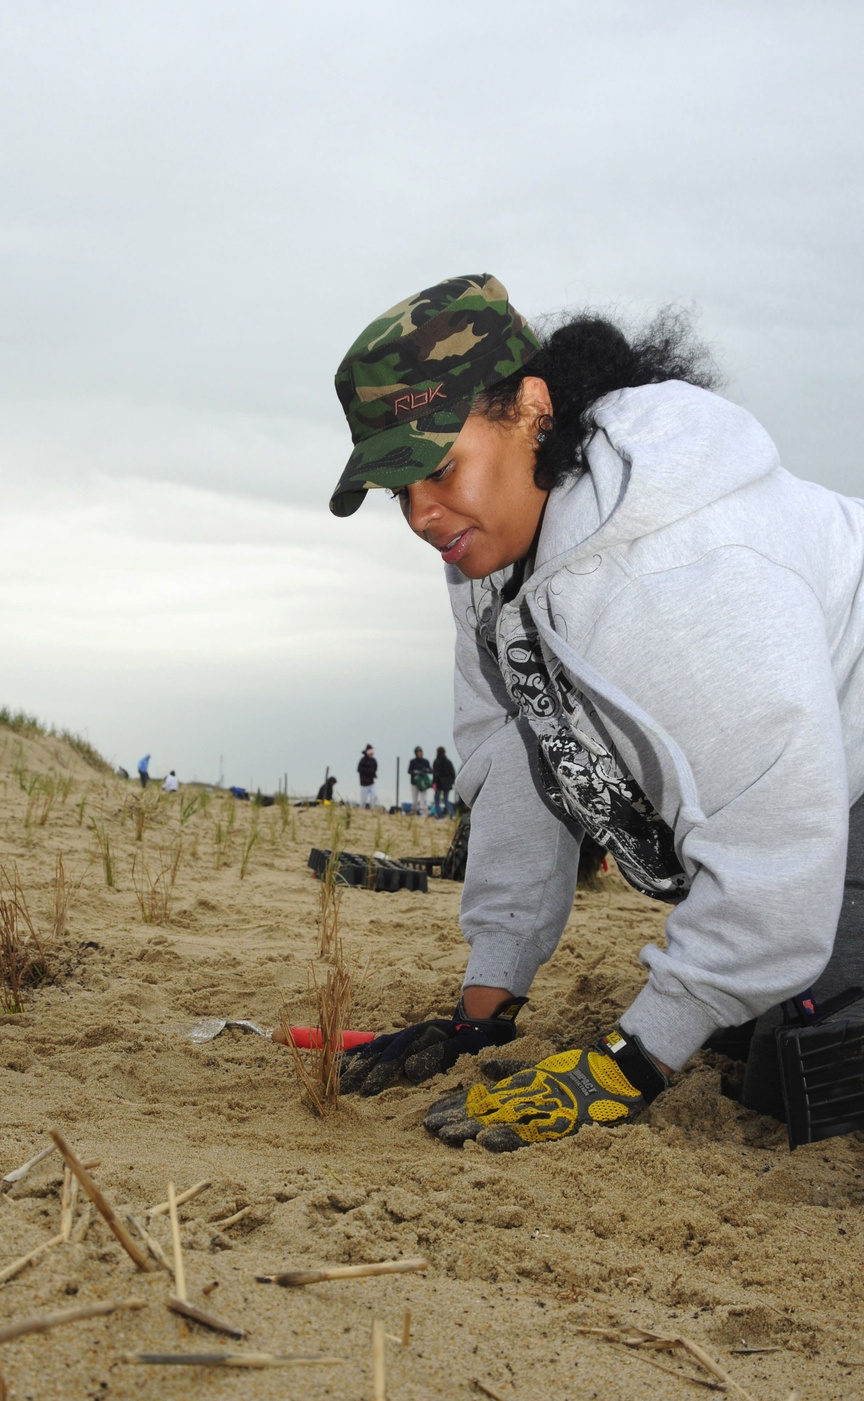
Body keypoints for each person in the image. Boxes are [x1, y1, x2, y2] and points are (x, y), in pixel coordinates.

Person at [327, 271, 864, 1152]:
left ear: (531, 408)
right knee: (745, 1019)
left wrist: (631, 1063)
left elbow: (775, 852)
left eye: (436, 467)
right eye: (397, 489)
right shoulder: (492, 564)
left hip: (837, 793)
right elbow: (514, 752)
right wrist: (485, 1009)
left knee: (801, 1074)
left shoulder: (680, 576)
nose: (422, 514)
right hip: (814, 799)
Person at [432, 746, 456, 818]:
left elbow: (435, 774)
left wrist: (433, 783)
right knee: (446, 800)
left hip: (439, 783)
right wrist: (451, 781)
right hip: (447, 784)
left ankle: (440, 815)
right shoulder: (448, 762)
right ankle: (452, 814)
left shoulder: (436, 762)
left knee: (437, 800)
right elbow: (453, 773)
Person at [407, 747, 432, 816]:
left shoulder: (425, 761)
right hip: (415, 783)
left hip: (423, 783)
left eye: (420, 753)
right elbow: (409, 771)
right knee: (414, 798)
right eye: (418, 753)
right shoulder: (413, 761)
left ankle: (424, 811)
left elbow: (430, 770)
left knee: (424, 798)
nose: (419, 754)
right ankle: (414, 811)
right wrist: (416, 772)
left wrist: (426, 770)